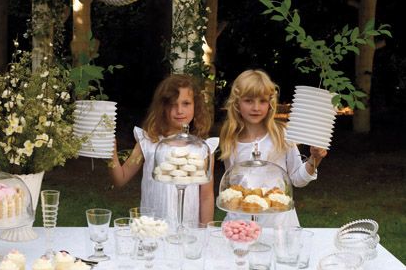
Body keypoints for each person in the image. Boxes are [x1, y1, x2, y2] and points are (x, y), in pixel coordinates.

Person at [219, 69, 327, 226]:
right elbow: (232, 185)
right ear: (236, 103)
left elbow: (298, 179)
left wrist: (315, 158)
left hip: (279, 223)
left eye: (262, 101)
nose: (256, 107)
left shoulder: (281, 134)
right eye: (249, 101)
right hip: (241, 222)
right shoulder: (230, 139)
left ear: (270, 104)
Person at [109, 74, 219, 225]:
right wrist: (110, 152)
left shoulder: (202, 149)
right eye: (172, 104)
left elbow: (206, 196)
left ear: (196, 106)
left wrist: (205, 230)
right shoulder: (148, 143)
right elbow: (120, 179)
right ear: (162, 107)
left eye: (186, 103)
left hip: (188, 231)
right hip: (153, 228)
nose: (179, 110)